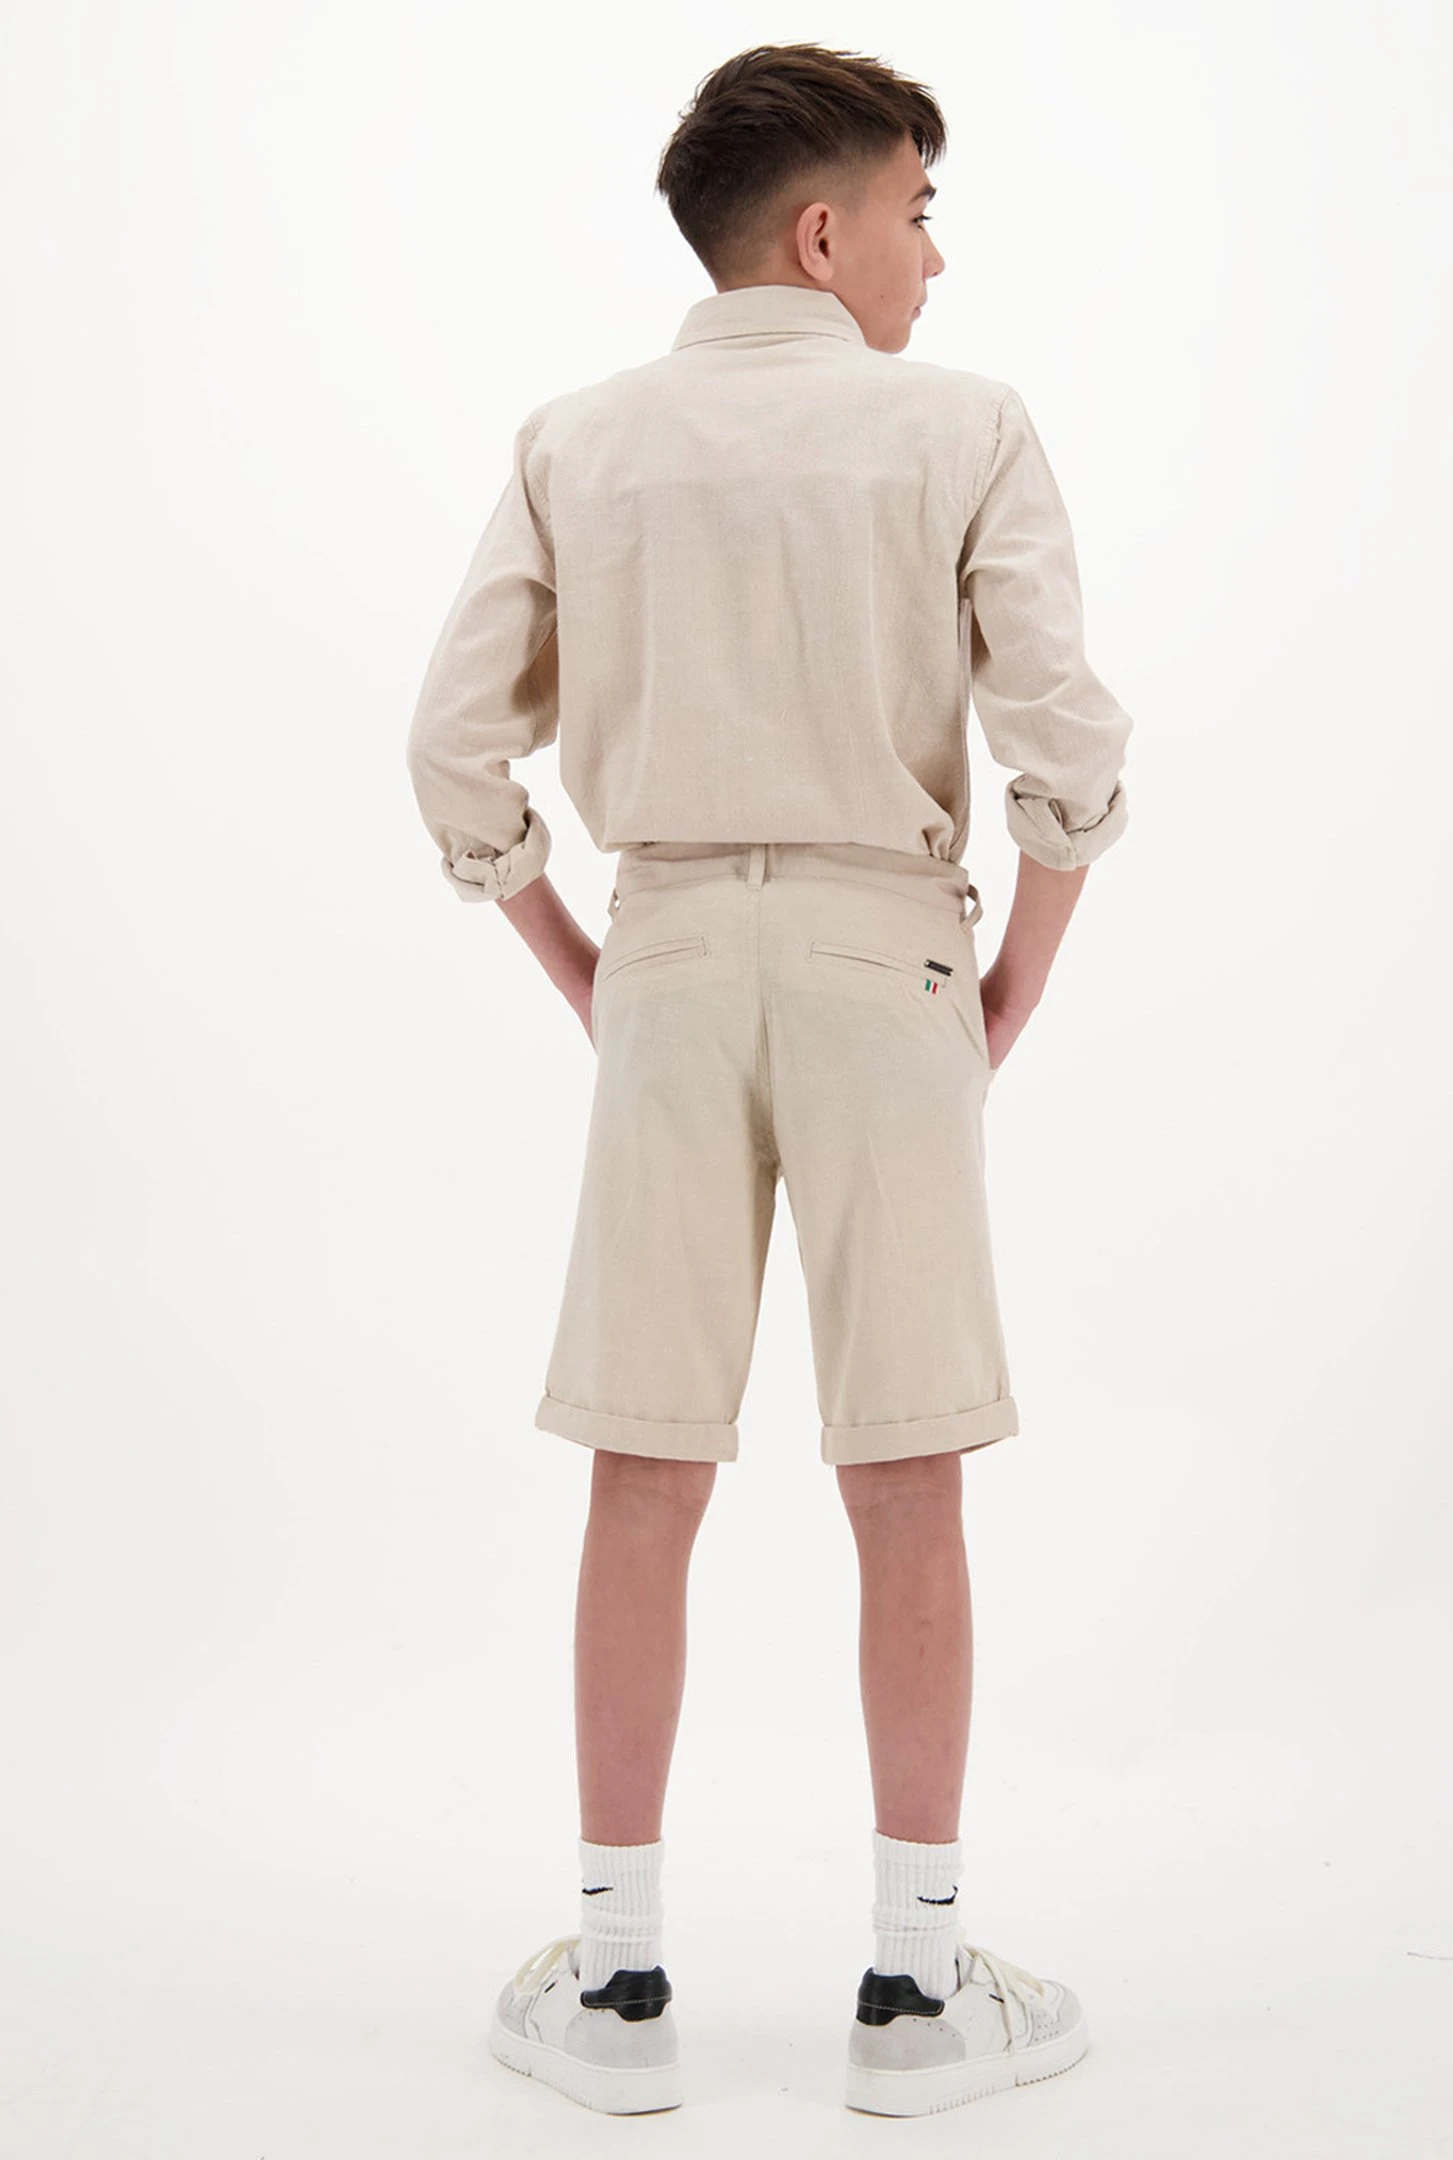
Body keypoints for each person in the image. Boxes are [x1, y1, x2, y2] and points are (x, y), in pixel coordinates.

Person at [404, 40, 1133, 2120]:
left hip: (661, 959)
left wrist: (587, 967)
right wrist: (1013, 975)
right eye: (916, 209)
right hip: (885, 955)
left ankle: (616, 1982)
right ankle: (916, 1991)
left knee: (646, 1465)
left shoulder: (579, 441)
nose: (933, 254)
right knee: (907, 1470)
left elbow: (453, 746)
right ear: (823, 232)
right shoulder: (961, 425)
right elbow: (1066, 739)